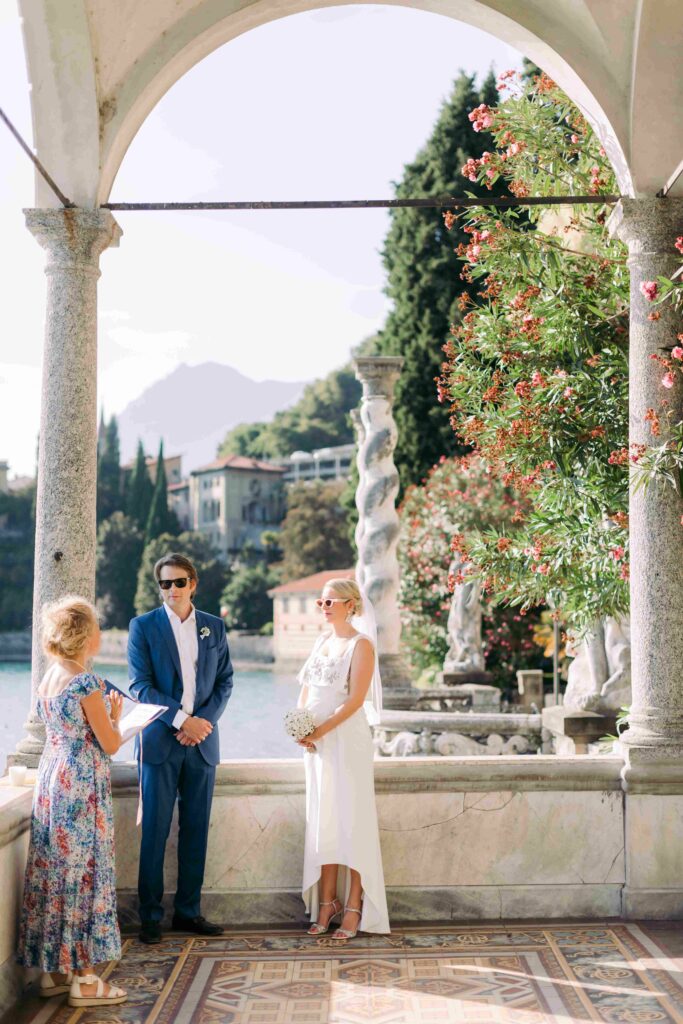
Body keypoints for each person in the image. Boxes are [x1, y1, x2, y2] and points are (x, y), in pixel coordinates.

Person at [17, 596, 127, 1009]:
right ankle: (85, 980)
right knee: (83, 873)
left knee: (55, 871)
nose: (100, 632)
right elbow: (111, 742)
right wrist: (116, 716)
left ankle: (55, 970)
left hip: (53, 777)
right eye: (96, 626)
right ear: (84, 635)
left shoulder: (50, 677)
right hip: (81, 784)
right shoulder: (85, 682)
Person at [128, 552, 233, 944]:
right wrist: (180, 721)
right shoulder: (143, 627)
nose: (172, 590)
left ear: (193, 584)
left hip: (202, 744)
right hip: (159, 743)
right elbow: (140, 686)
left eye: (179, 582)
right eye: (165, 584)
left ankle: (188, 912)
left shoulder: (214, 628)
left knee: (195, 832)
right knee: (154, 832)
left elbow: (225, 683)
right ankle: (150, 917)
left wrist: (202, 724)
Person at [294, 577, 389, 939]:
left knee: (353, 821)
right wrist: (301, 728)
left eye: (330, 602)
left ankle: (354, 906)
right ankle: (327, 902)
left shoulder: (361, 645)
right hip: (316, 745)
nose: (324, 608)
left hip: (347, 742)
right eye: (321, 603)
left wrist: (320, 730)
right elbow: (305, 692)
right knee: (325, 820)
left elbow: (354, 701)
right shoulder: (321, 642)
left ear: (351, 604)